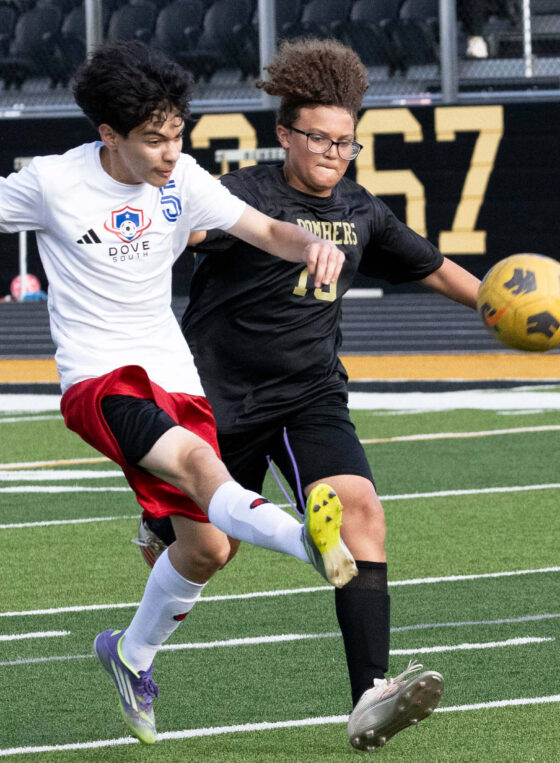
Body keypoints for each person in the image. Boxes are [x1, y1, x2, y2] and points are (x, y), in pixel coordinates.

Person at [0, 40, 360, 745]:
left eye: (178, 134)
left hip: (173, 376)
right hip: (100, 381)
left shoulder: (183, 177)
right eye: (154, 140)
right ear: (109, 135)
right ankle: (309, 544)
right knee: (204, 470)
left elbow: (263, 229)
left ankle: (130, 656)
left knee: (206, 550)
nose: (171, 152)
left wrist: (312, 244)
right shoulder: (49, 182)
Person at [138, 38, 481, 751]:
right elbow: (180, 226)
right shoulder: (243, 196)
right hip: (215, 400)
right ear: (285, 134)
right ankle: (160, 532)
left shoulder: (361, 208)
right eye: (319, 137)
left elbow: (441, 269)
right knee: (206, 551)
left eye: (346, 142)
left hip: (310, 396)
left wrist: (507, 308)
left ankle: (370, 695)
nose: (333, 151)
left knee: (360, 509)